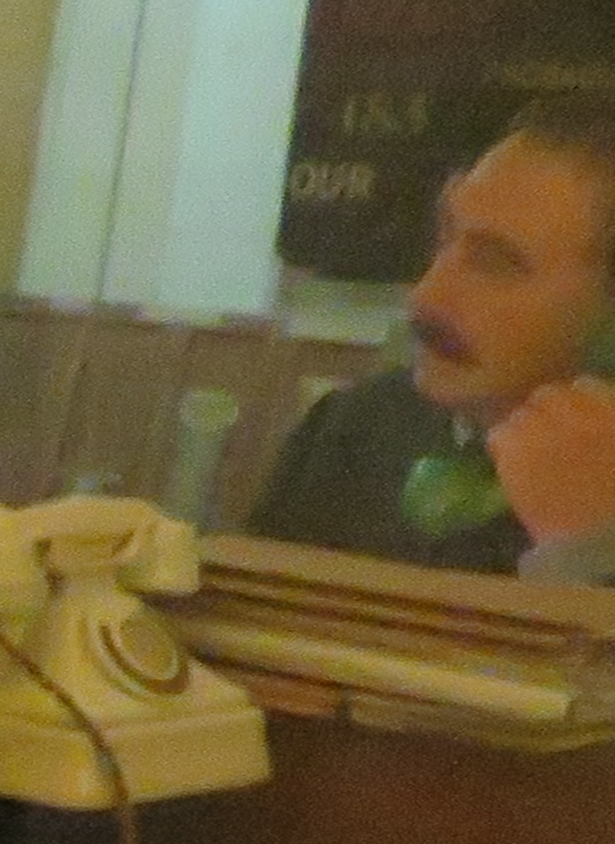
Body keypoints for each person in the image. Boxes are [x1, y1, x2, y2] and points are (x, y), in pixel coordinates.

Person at [251, 99, 615, 582]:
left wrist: (589, 553)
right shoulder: (351, 430)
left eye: (495, 262)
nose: (425, 296)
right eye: (444, 239)